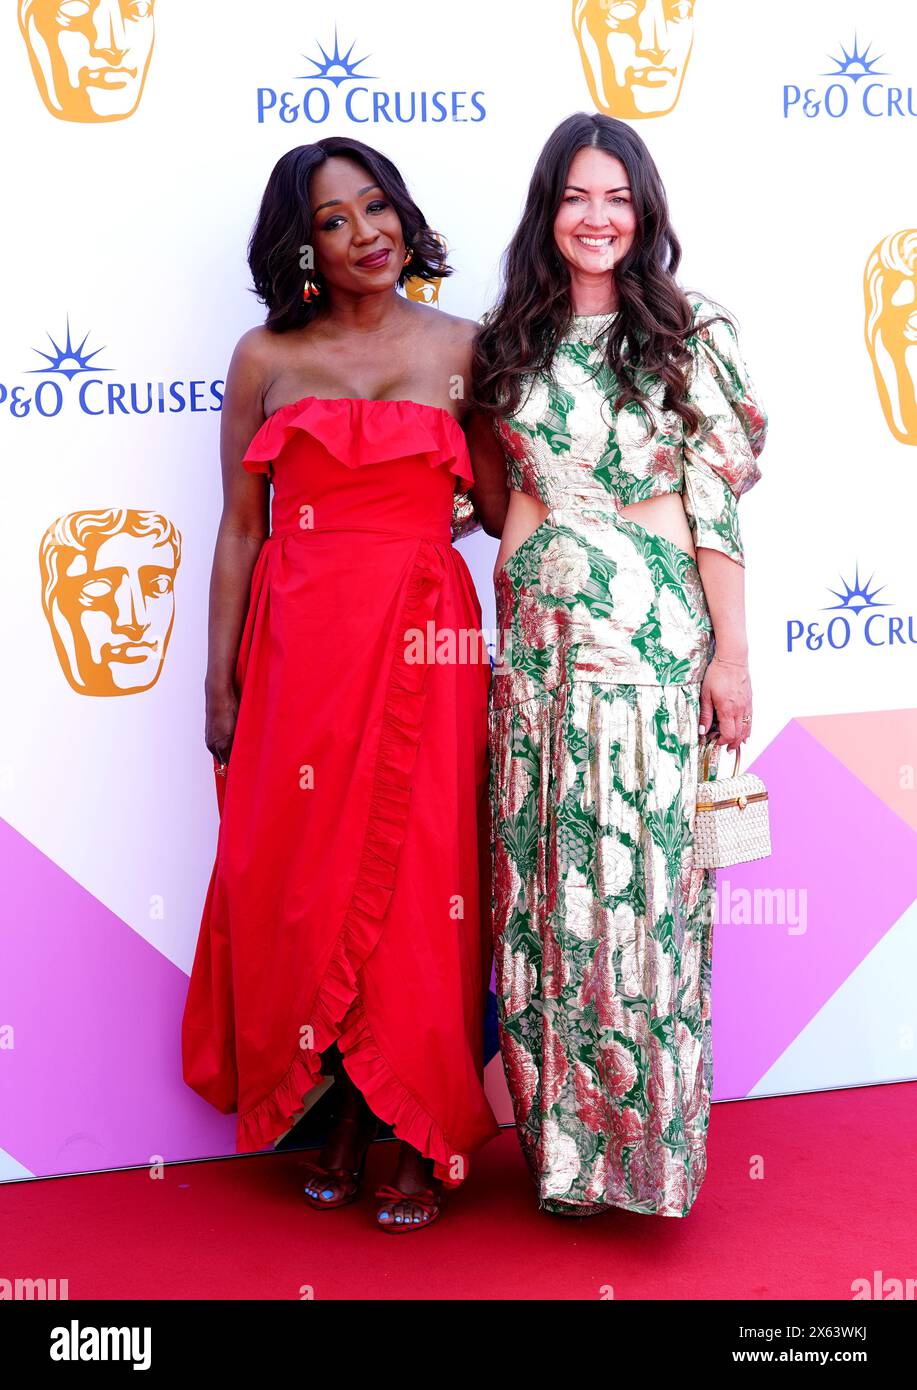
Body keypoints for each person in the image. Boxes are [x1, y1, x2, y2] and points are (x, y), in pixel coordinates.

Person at [181, 136, 505, 1233]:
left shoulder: (468, 346)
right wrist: (217, 683)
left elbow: (506, 509)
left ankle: (413, 1131)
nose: (366, 233)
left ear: (405, 217)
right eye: (335, 219)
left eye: (378, 207)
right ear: (301, 243)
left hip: (425, 646)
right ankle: (332, 1110)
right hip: (299, 651)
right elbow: (236, 533)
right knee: (305, 878)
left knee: (421, 884)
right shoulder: (264, 357)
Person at [472, 112, 768, 1218]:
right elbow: (506, 505)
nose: (595, 219)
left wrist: (727, 660)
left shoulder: (691, 330)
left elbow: (715, 514)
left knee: (638, 897)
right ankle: (561, 1161)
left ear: (642, 213)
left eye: (617, 199)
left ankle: (644, 1159)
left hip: (647, 651)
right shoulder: (509, 336)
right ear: (546, 210)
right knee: (545, 896)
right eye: (574, 197)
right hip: (536, 657)